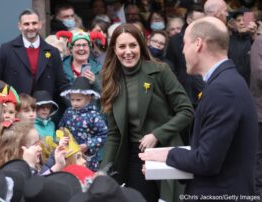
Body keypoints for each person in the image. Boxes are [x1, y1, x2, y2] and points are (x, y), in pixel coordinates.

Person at [140, 17, 259, 199]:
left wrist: (170, 154)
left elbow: (207, 161)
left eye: (185, 44)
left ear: (197, 44)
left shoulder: (223, 89)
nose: (182, 50)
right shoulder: (226, 81)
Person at [100, 23, 194, 202]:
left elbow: (186, 111)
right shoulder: (110, 79)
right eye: (122, 46)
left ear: (141, 46)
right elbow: (114, 134)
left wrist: (157, 134)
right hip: (134, 158)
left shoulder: (160, 71)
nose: (128, 51)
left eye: (132, 45)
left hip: (165, 152)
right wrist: (103, 171)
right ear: (114, 49)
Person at [0, 9, 70, 111]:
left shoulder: (53, 52)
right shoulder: (6, 49)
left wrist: (74, 104)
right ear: (20, 26)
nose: (31, 27)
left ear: (40, 24)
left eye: (34, 23)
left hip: (44, 111)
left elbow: (61, 83)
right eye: (26, 24)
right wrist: (7, 103)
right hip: (16, 109)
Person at [59, 77, 107, 171]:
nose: (75, 103)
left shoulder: (94, 115)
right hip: (71, 154)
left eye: (78, 100)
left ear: (88, 98)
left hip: (89, 157)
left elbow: (104, 134)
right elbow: (61, 126)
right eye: (72, 100)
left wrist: (88, 145)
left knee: (87, 178)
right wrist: (62, 135)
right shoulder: (68, 112)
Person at [166, 4, 205, 111]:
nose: (202, 24)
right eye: (199, 21)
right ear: (189, 20)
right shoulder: (174, 41)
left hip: (203, 91)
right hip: (182, 93)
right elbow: (170, 65)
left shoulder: (206, 39)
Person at [0, 120, 66, 175]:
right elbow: (36, 185)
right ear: (17, 150)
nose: (40, 148)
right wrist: (30, 166)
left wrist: (57, 162)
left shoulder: (36, 163)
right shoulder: (14, 174)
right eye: (35, 144)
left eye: (39, 141)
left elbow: (44, 175)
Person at [250, 34, 262, 201]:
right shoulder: (260, 42)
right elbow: (259, 73)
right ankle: (258, 191)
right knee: (259, 154)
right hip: (260, 110)